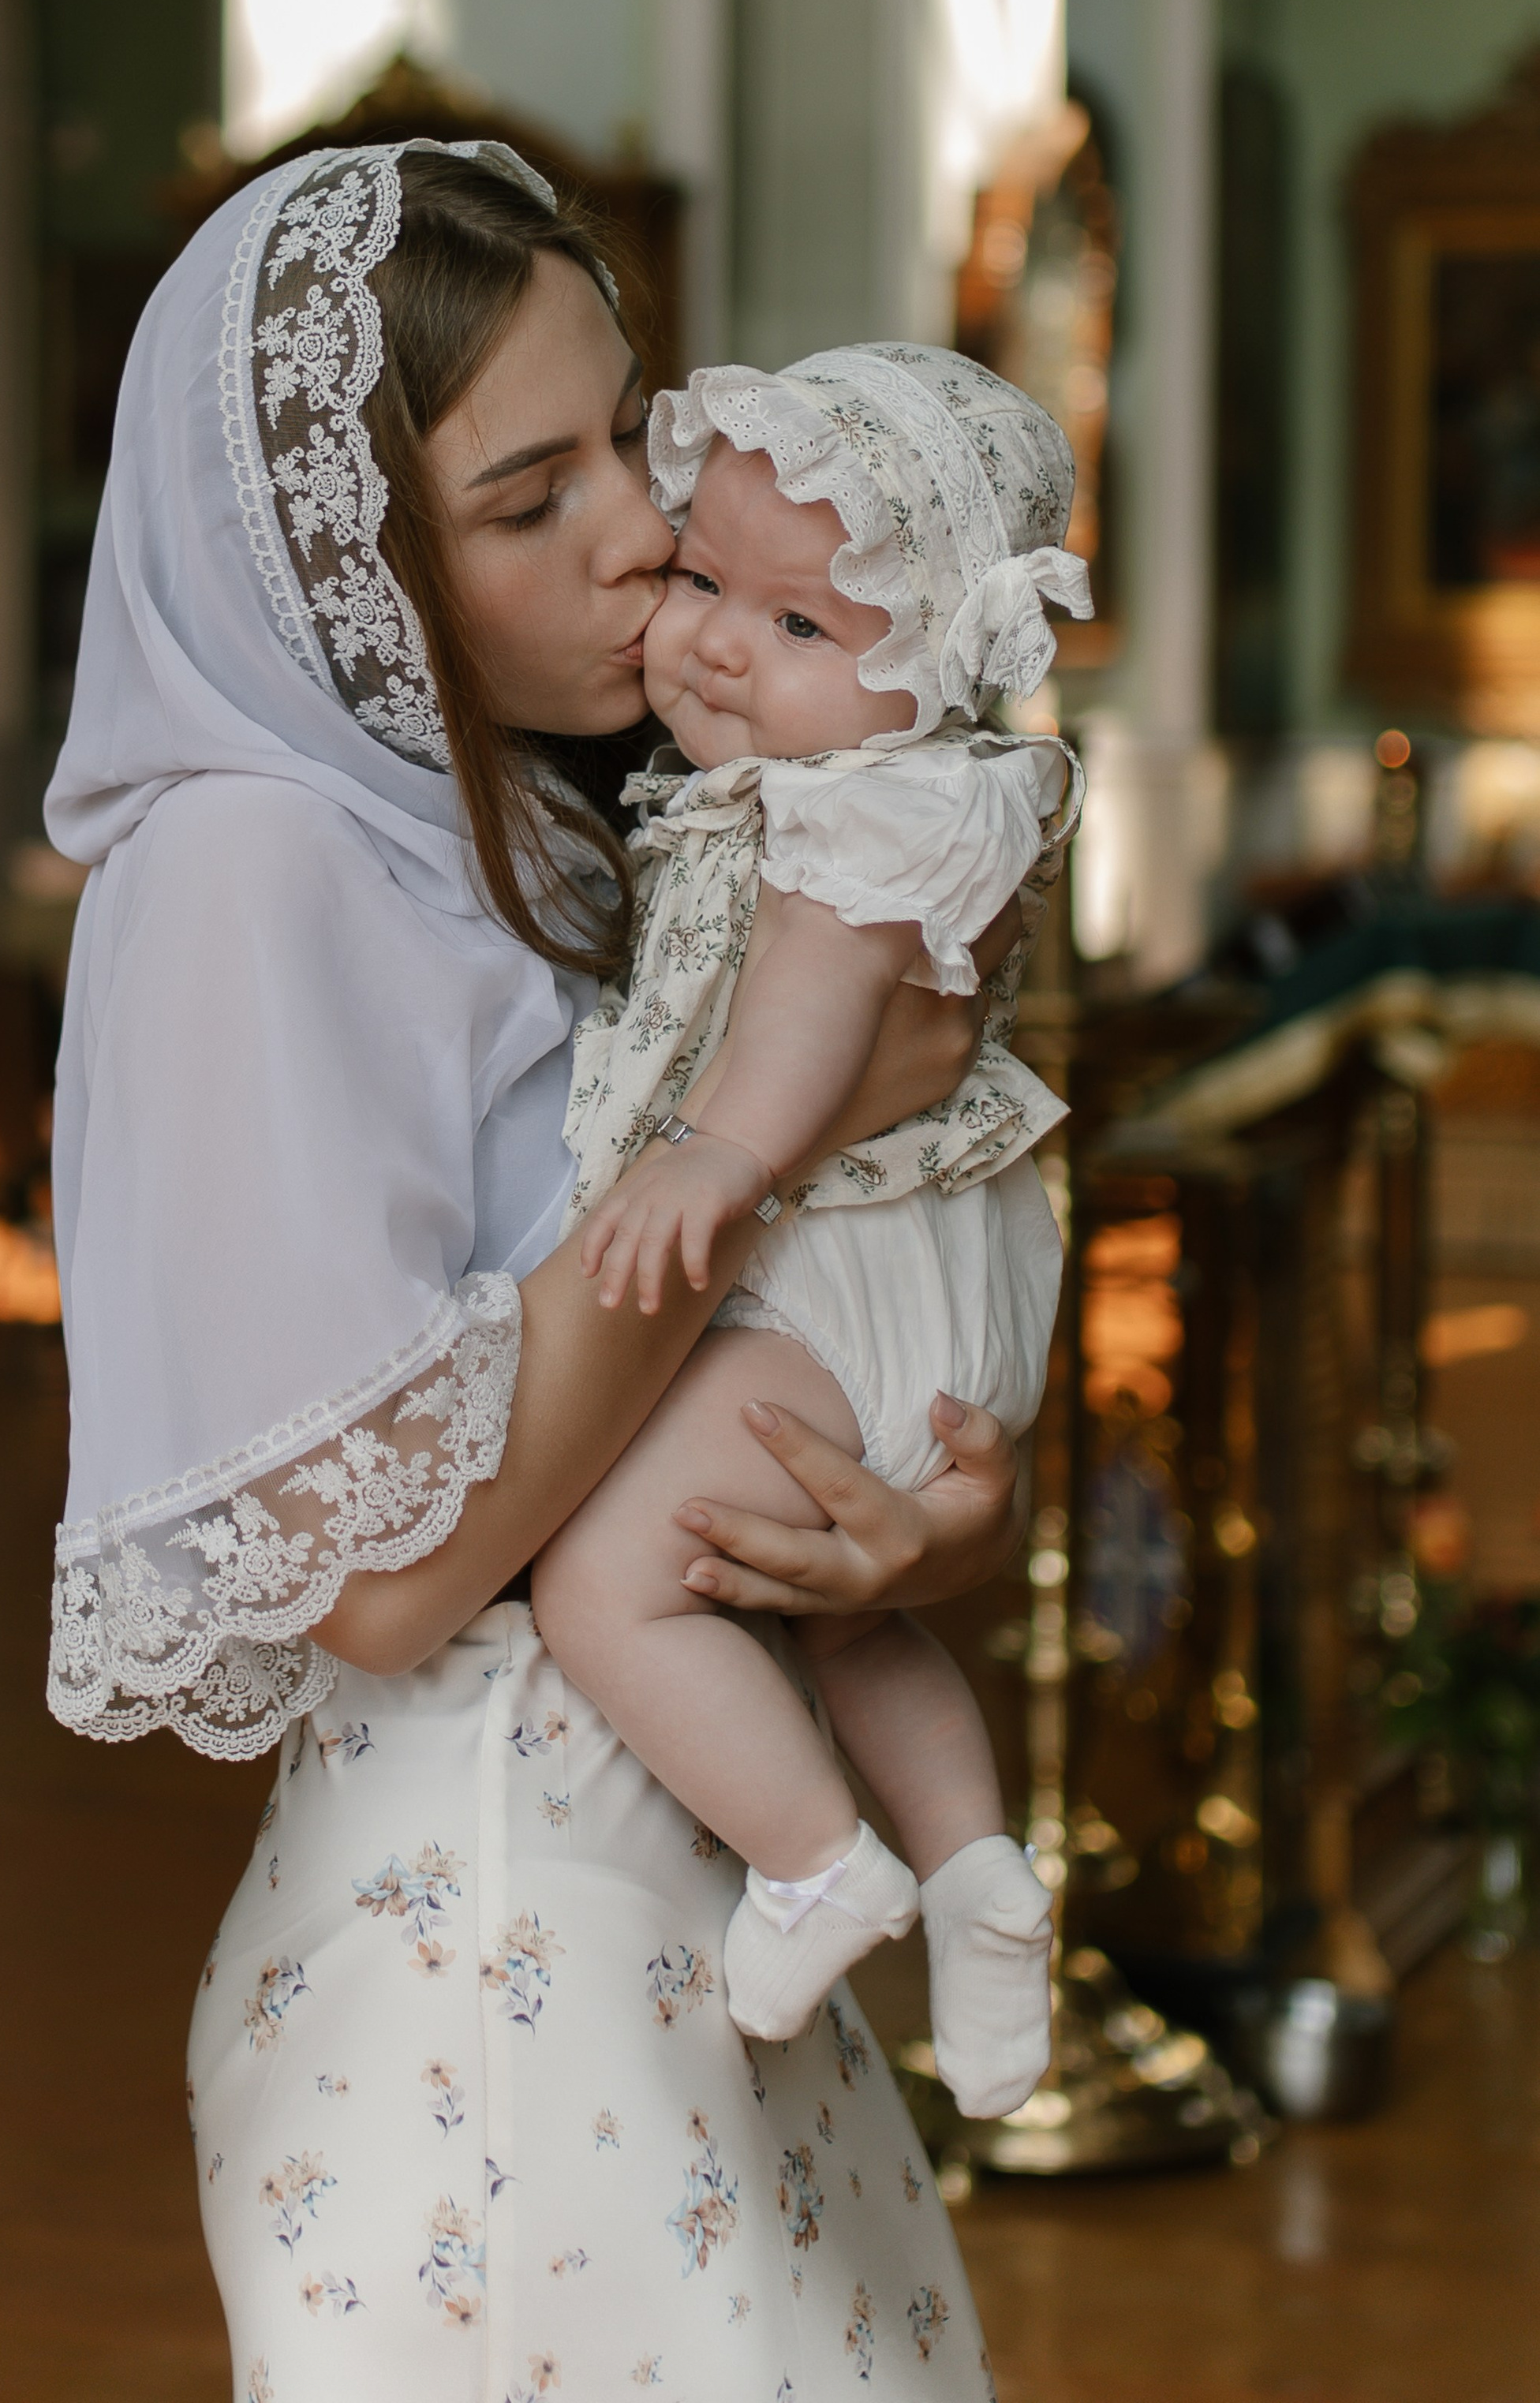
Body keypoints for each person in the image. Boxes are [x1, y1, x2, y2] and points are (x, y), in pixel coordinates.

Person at [44, 142, 1026, 2401]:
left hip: (688, 1881)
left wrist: (905, 1519)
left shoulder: (567, 836)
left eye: (628, 438)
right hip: (488, 1941)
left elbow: (694, 1357)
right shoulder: (244, 877)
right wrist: (804, 1132)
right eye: (525, 499)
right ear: (337, 566)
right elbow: (376, 1577)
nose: (642, 536)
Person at [533, 351, 1088, 2109]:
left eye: (798, 629)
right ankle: (978, 1876)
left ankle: (814, 1862)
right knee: (854, 1623)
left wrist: (710, 1154)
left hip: (827, 1269)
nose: (712, 645)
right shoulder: (887, 785)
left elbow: (806, 1003)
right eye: (704, 582)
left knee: (610, 1583)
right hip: (936, 1287)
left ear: (930, 675)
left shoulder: (861, 807)